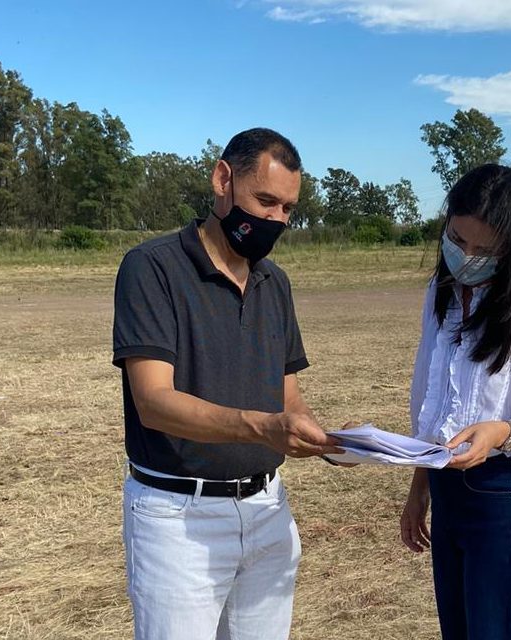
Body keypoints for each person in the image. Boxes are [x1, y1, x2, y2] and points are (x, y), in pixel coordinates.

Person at [112, 128, 342, 640]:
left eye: (288, 209)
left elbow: (287, 397)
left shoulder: (274, 283)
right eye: (265, 201)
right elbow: (154, 403)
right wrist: (260, 428)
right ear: (223, 179)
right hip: (178, 519)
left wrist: (330, 439)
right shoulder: (152, 268)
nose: (276, 220)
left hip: (267, 511)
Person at [400, 164, 511, 640]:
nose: (467, 256)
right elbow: (430, 403)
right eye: (457, 240)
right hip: (447, 490)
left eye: (485, 250)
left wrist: (501, 431)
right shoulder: (439, 297)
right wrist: (420, 485)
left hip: (506, 501)